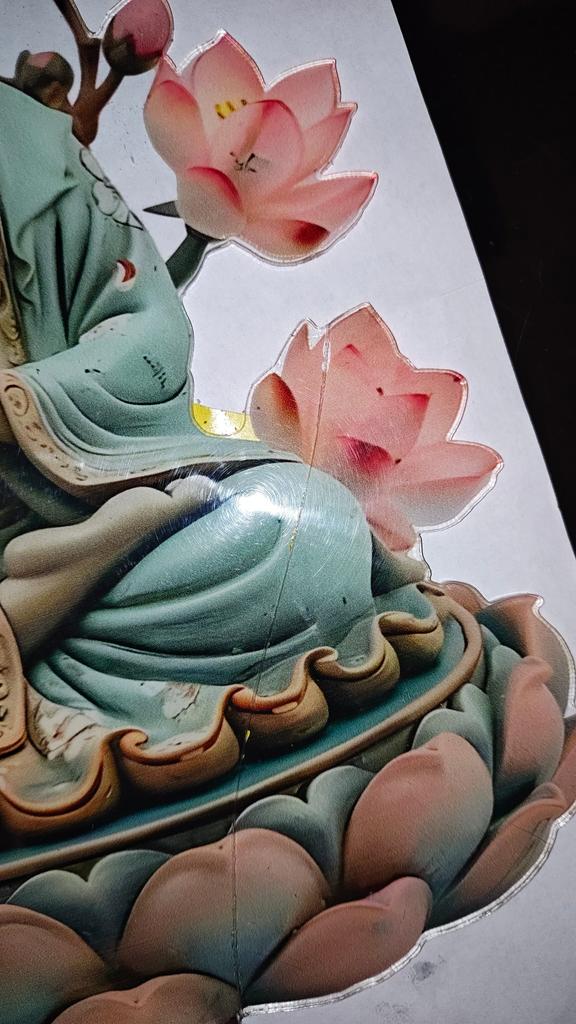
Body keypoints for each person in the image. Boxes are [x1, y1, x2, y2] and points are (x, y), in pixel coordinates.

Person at [0, 81, 432, 831]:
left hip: (106, 480)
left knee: (306, 522)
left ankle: (90, 563)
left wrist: (21, 399)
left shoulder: (28, 151)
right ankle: (57, 596)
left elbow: (146, 321)